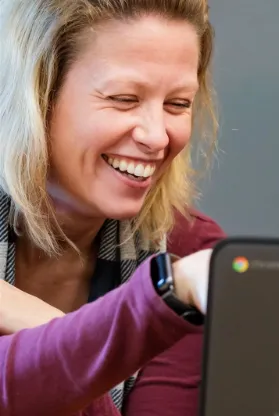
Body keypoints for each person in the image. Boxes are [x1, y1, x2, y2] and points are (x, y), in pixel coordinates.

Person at [0, 0, 217, 414]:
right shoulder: (181, 277)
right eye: (123, 99)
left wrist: (35, 319)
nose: (156, 136)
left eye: (178, 104)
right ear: (36, 96)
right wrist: (152, 309)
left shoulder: (188, 252)